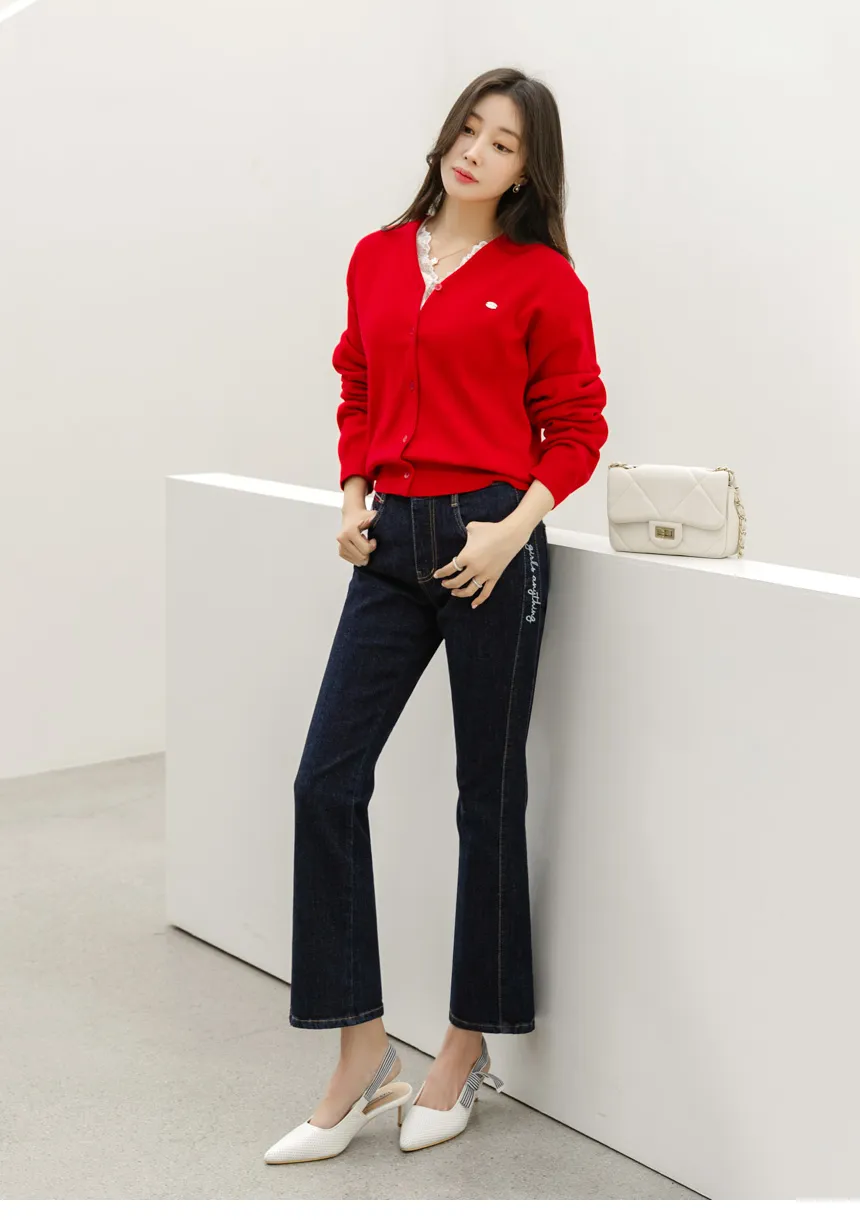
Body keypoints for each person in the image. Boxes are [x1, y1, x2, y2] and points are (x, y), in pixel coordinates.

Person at [264, 66, 608, 1165]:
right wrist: (352, 497)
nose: (475, 151)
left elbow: (576, 426)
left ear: (526, 171)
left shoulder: (542, 280)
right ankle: (361, 1050)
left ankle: (464, 1045)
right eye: (468, 129)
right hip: (391, 545)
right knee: (325, 780)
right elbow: (357, 388)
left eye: (503, 143)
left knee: (485, 794)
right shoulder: (376, 256)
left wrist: (510, 531)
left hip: (490, 545)